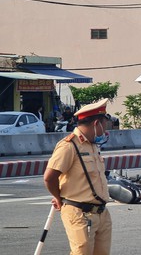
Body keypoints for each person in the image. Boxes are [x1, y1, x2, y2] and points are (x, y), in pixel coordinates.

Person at [43, 99, 113, 255]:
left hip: (101, 213)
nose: (105, 131)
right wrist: (59, 197)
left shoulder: (92, 145)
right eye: (104, 125)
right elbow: (49, 177)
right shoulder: (69, 145)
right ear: (97, 124)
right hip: (80, 213)